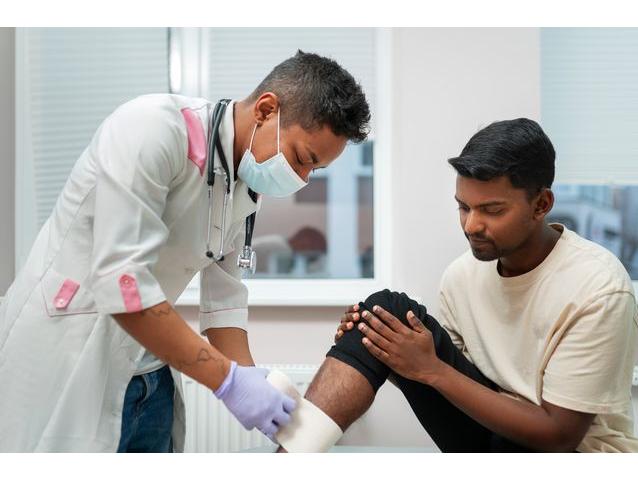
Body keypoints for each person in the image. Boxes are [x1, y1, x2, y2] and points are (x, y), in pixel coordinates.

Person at [0, 50, 370, 452]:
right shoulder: (152, 129)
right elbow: (122, 283)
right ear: (266, 110)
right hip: (73, 353)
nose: (302, 178)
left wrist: (252, 381)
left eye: (314, 170)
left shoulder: (243, 185)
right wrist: (228, 381)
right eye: (301, 159)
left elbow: (224, 300)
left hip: (150, 369)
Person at [294, 118, 638, 452]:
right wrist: (387, 350)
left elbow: (559, 435)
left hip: (578, 458)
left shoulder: (598, 288)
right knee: (385, 312)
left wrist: (430, 369)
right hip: (493, 439)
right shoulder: (461, 277)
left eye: (492, 210)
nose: (471, 225)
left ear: (541, 205)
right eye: (464, 207)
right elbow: (452, 387)